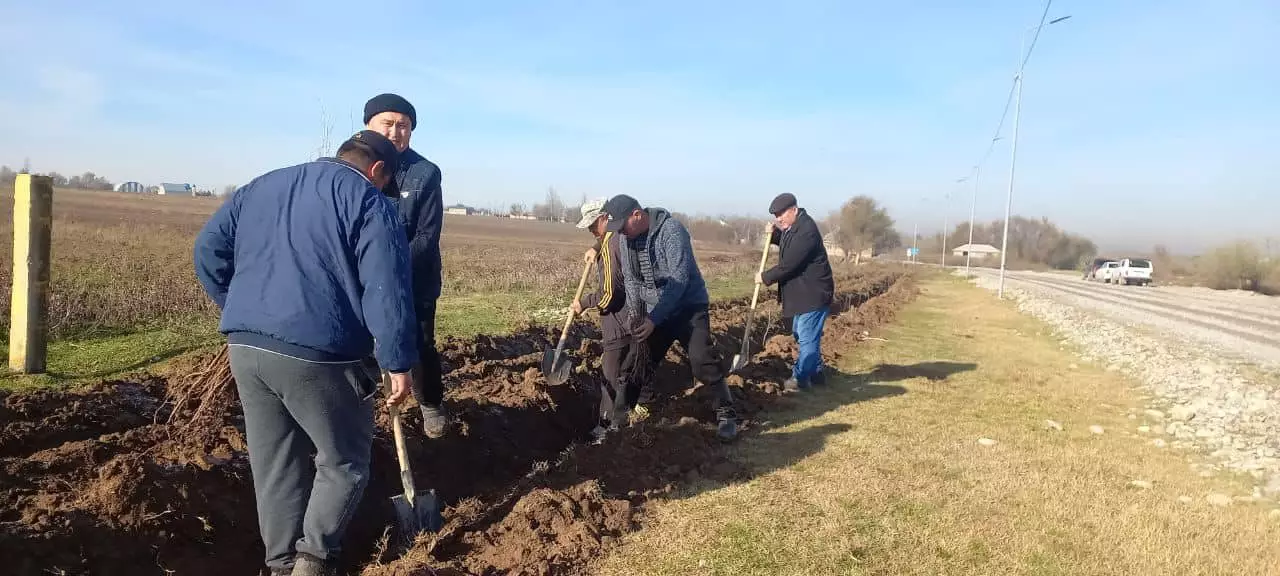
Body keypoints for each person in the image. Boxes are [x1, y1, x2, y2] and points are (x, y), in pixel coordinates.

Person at [193, 130, 419, 576]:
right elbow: (386, 290)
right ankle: (314, 562)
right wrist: (397, 362)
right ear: (378, 171)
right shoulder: (370, 202)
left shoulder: (263, 185)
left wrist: (241, 308)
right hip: (321, 355)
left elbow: (208, 250)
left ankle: (279, 565)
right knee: (345, 461)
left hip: (246, 348)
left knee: (275, 463)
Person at [601, 194, 739, 441]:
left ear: (637, 215)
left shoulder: (671, 230)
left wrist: (653, 320)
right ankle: (618, 425)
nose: (621, 233)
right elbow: (631, 280)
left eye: (623, 226)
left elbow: (679, 282)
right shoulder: (626, 238)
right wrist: (637, 315)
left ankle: (726, 413)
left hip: (688, 307)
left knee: (701, 359)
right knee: (634, 364)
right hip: (654, 312)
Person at [363, 93, 449, 438]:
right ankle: (367, 404)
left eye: (404, 126)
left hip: (417, 279)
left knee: (420, 345)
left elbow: (427, 236)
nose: (396, 132)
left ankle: (430, 403)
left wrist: (390, 270)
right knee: (363, 346)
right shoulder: (355, 170)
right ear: (369, 126)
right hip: (367, 280)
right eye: (388, 123)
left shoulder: (424, 174)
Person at [570, 199, 646, 442]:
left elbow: (610, 294)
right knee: (626, 370)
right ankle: (625, 415)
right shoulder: (616, 237)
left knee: (610, 374)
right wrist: (596, 245)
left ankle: (607, 428)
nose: (592, 229)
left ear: (605, 218)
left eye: (593, 224)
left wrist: (586, 304)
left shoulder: (612, 245)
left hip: (618, 319)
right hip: (634, 314)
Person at [757, 193, 834, 392]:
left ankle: (799, 379)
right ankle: (816, 373)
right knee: (801, 333)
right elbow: (788, 241)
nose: (778, 218)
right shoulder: (796, 227)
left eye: (781, 214)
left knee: (807, 337)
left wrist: (764, 277)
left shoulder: (807, 231)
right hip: (803, 293)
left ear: (794, 209)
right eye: (776, 215)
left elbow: (789, 263)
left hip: (814, 293)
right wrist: (774, 235)